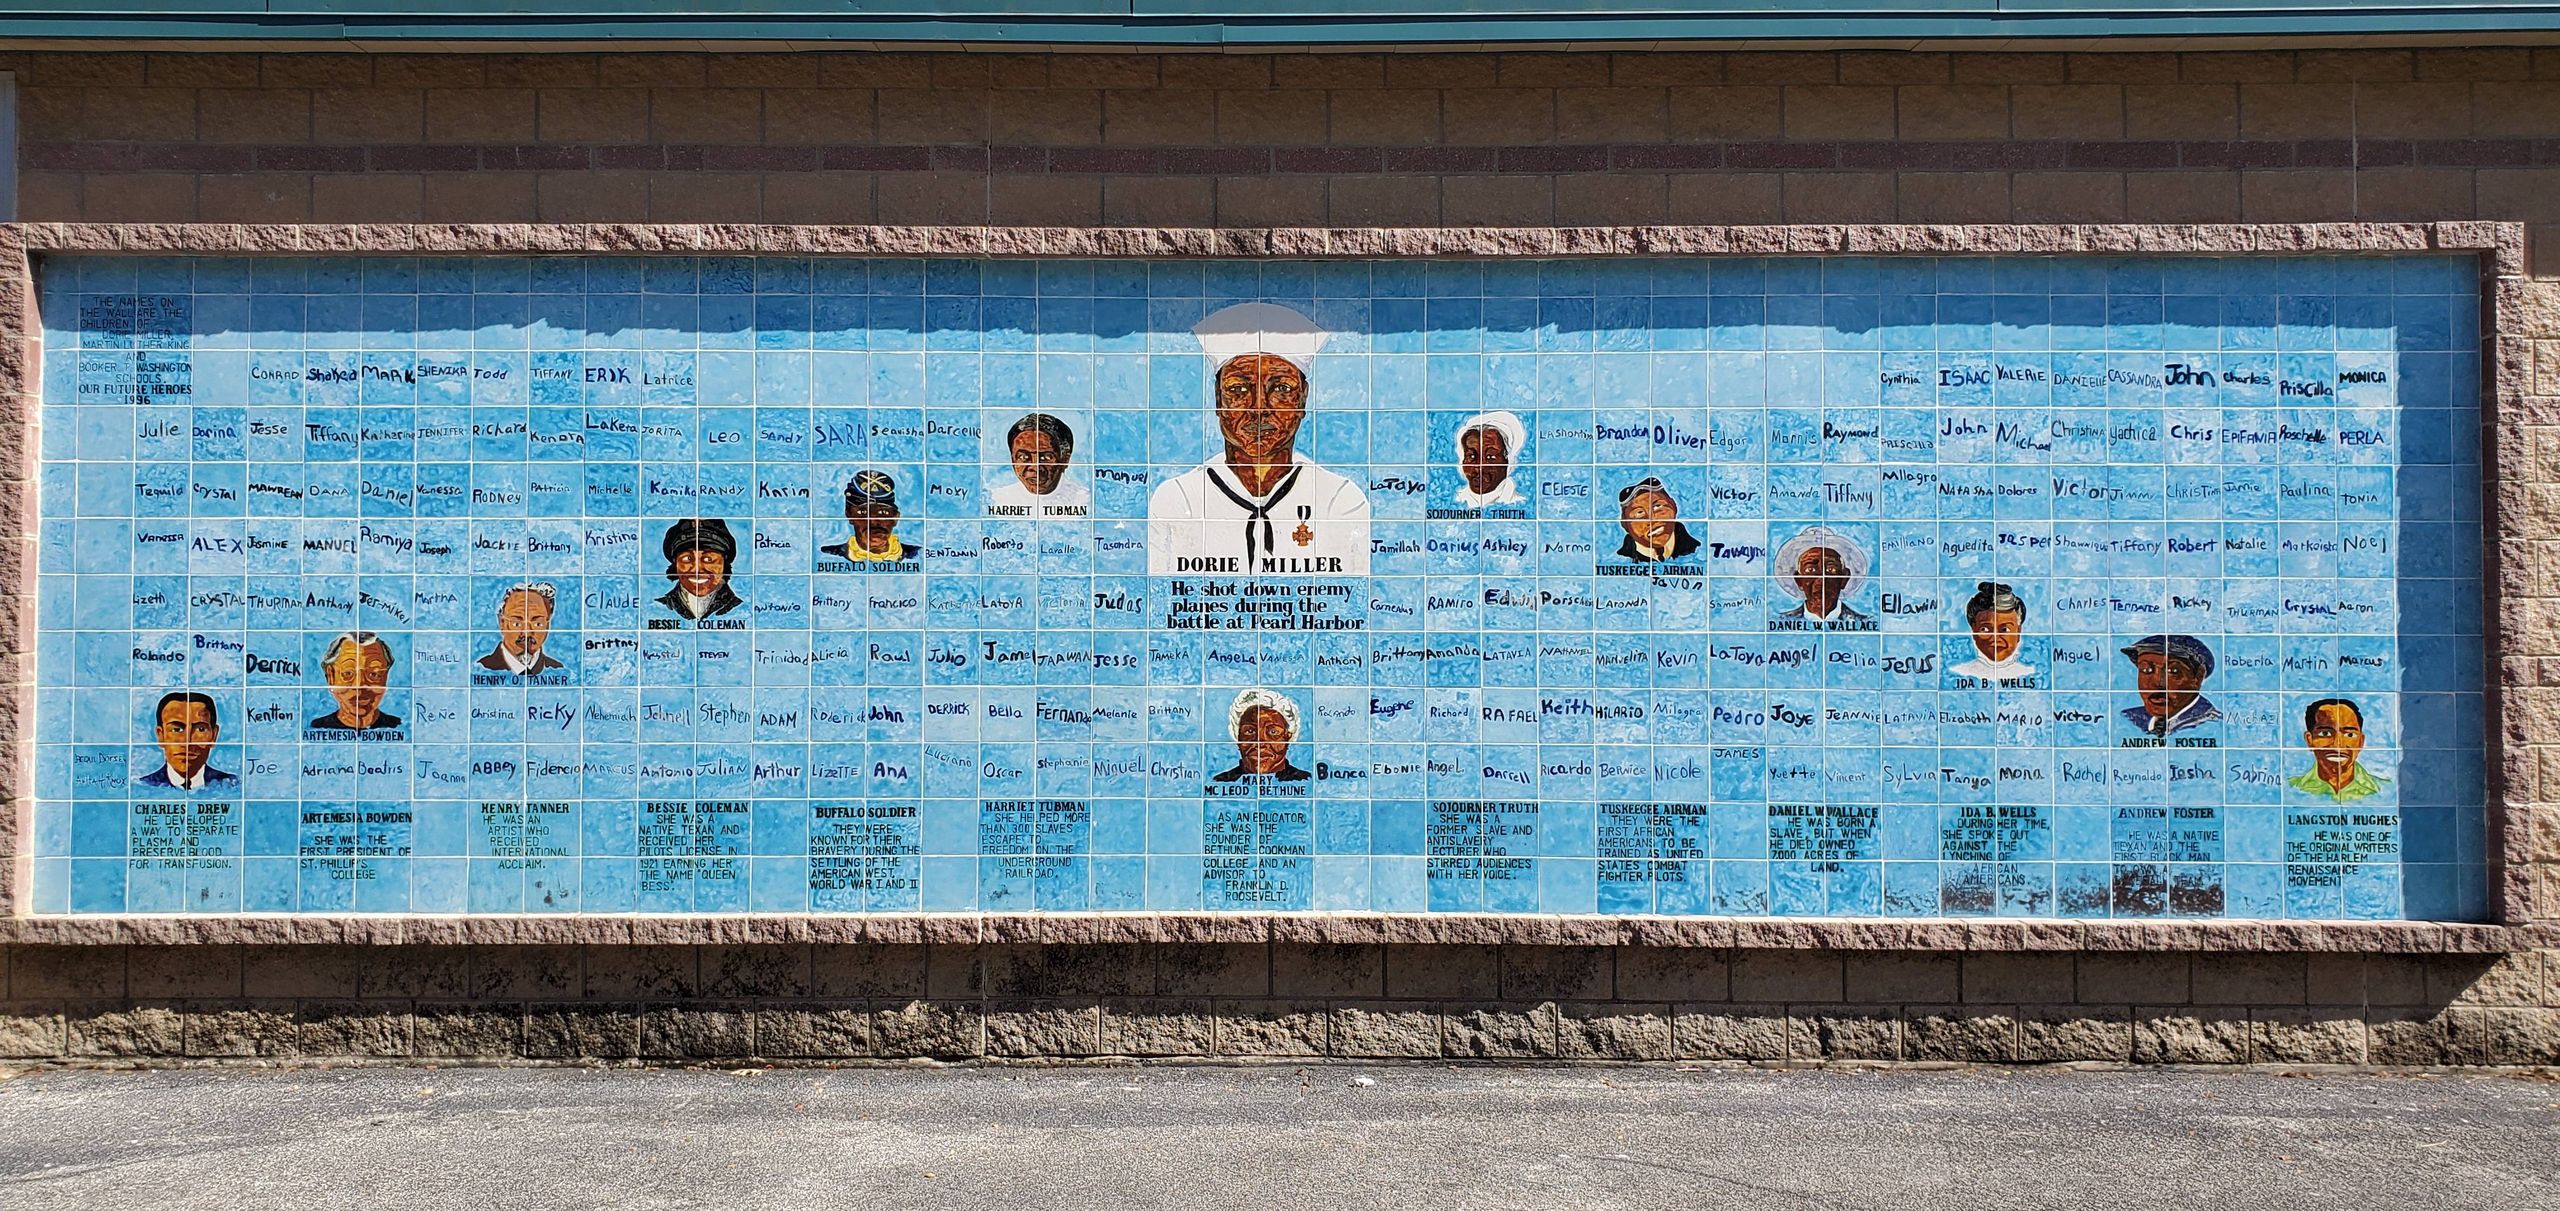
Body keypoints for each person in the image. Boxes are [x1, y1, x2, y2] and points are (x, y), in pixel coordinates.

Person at [1147, 302, 1371, 576]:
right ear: (1218, 399)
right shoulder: (1180, 501)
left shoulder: (1339, 502)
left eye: (1281, 389)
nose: (1259, 407)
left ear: (1302, 399)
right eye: (1239, 389)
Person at [986, 413, 1090, 517]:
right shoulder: (996, 500)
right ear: (1012, 458)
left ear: (1065, 459)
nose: (1035, 468)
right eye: (1023, 457)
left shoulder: (1086, 501)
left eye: (1046, 458)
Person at [2119, 634, 2220, 737]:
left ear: (2198, 677)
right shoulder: (2128, 720)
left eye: (2173, 671)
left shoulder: (2212, 727)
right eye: (2146, 670)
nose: (2157, 683)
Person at [2290, 697, 2388, 801]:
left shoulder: (2386, 790)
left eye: (2350, 734)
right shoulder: (2290, 789)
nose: (2338, 745)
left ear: (2361, 741)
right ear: (2309, 740)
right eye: (2325, 733)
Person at [136, 691, 236, 790]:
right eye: (176, 729)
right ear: (160, 735)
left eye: (200, 729)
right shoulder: (142, 787)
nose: (187, 741)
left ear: (213, 735)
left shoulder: (232, 785)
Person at [1210, 688, 1313, 783]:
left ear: (1288, 736)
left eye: (1273, 732)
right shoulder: (1221, 783)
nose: (1260, 742)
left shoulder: (1305, 781)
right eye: (1250, 731)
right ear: (1237, 736)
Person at [1773, 526, 1871, 622]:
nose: (1821, 579)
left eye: (1831, 569)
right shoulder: (1784, 622)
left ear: (1844, 579)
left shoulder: (1862, 623)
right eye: (1810, 570)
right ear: (1799, 580)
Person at [307, 632, 401, 732]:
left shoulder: (398, 727)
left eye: (374, 674)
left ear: (385, 677)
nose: (359, 686)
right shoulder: (318, 729)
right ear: (331, 676)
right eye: (348, 674)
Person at [657, 518, 743, 619]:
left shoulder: (741, 610)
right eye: (687, 558)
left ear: (724, 563)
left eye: (708, 559)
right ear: (676, 564)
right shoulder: (658, 608)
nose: (697, 568)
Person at [1950, 581, 2036, 682]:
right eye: (1985, 629)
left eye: (2005, 630)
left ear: (2018, 631)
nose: (1995, 638)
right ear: (1974, 630)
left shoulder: (2030, 674)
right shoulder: (1960, 674)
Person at [821, 472, 911, 564]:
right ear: (849, 515)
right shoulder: (827, 556)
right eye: (863, 512)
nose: (873, 521)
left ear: (895, 517)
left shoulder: (917, 555)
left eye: (883, 512)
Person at [478, 581, 565, 676]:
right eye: (516, 623)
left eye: (538, 624)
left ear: (548, 625)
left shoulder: (558, 671)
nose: (526, 633)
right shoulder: (480, 669)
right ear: (502, 623)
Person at [1613, 477, 1699, 562]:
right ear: (1625, 524)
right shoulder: (1618, 562)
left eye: (1658, 506)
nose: (1652, 519)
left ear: (1673, 506)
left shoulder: (1700, 552)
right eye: (1639, 513)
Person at [1453, 410, 1527, 509]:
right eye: (1471, 457)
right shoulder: (1455, 501)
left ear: (1508, 461)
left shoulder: (1520, 504)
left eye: (1491, 457)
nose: (1479, 468)